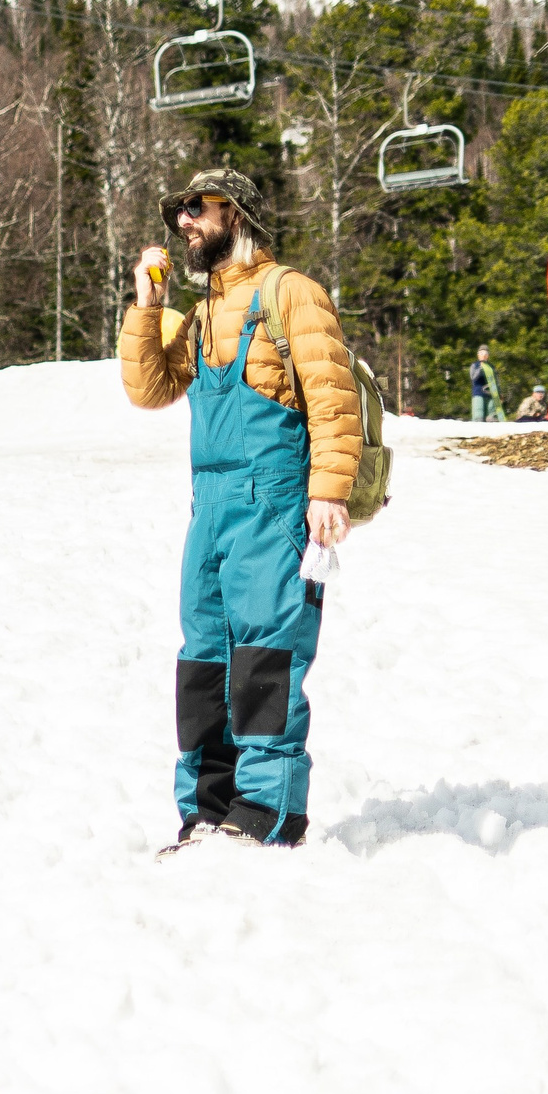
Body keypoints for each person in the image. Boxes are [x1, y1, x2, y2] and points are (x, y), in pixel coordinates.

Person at [123, 170, 360, 851]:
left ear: (236, 212)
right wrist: (148, 304)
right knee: (204, 660)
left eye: (196, 209)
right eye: (180, 215)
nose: (185, 223)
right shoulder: (199, 314)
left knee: (264, 655)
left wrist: (329, 491)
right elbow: (148, 387)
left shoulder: (291, 292)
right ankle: (209, 806)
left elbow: (332, 398)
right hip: (212, 512)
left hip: (275, 505)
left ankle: (265, 810)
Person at [470, 345, 506, 422]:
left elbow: (496, 380)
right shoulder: (475, 365)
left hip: (491, 394)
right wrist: (480, 368)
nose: (484, 355)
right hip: (478, 393)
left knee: (492, 416)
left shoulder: (491, 366)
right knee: (478, 415)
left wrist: (499, 393)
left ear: (488, 355)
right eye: (481, 353)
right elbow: (473, 378)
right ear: (478, 355)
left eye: (486, 353)